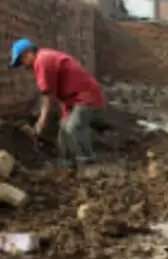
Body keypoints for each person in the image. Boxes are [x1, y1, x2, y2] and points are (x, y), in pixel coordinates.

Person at [9, 38, 105, 168]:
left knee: (74, 127)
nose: (24, 66)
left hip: (85, 96)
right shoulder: (44, 58)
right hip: (72, 99)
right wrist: (64, 113)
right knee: (63, 130)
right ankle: (66, 165)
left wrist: (39, 126)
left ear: (28, 53)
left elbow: (48, 97)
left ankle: (87, 164)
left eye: (22, 61)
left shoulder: (42, 61)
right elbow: (57, 91)